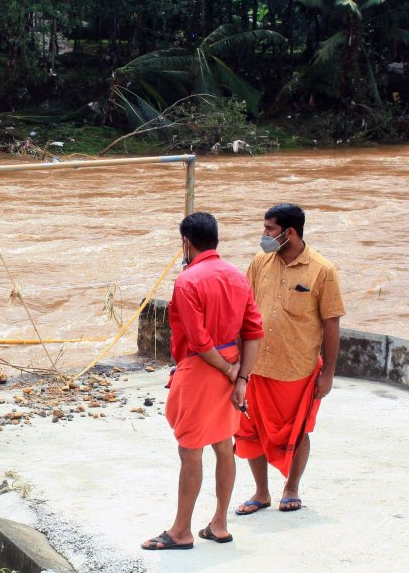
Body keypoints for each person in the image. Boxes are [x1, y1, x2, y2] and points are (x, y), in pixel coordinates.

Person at [142, 213, 263, 550]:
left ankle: (181, 531)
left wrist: (227, 372)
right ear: (216, 240)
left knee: (190, 450)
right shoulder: (238, 277)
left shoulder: (188, 281)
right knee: (224, 445)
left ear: (186, 242)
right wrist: (242, 378)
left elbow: (198, 342)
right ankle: (219, 524)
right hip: (233, 368)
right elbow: (254, 332)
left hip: (202, 370)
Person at [234, 204, 345, 514]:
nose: (264, 234)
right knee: (247, 430)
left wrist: (328, 374)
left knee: (296, 431)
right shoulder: (259, 262)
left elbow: (331, 324)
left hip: (297, 368)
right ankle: (261, 492)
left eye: (270, 229)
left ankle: (291, 487)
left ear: (290, 232)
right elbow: (244, 309)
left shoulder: (323, 270)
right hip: (255, 367)